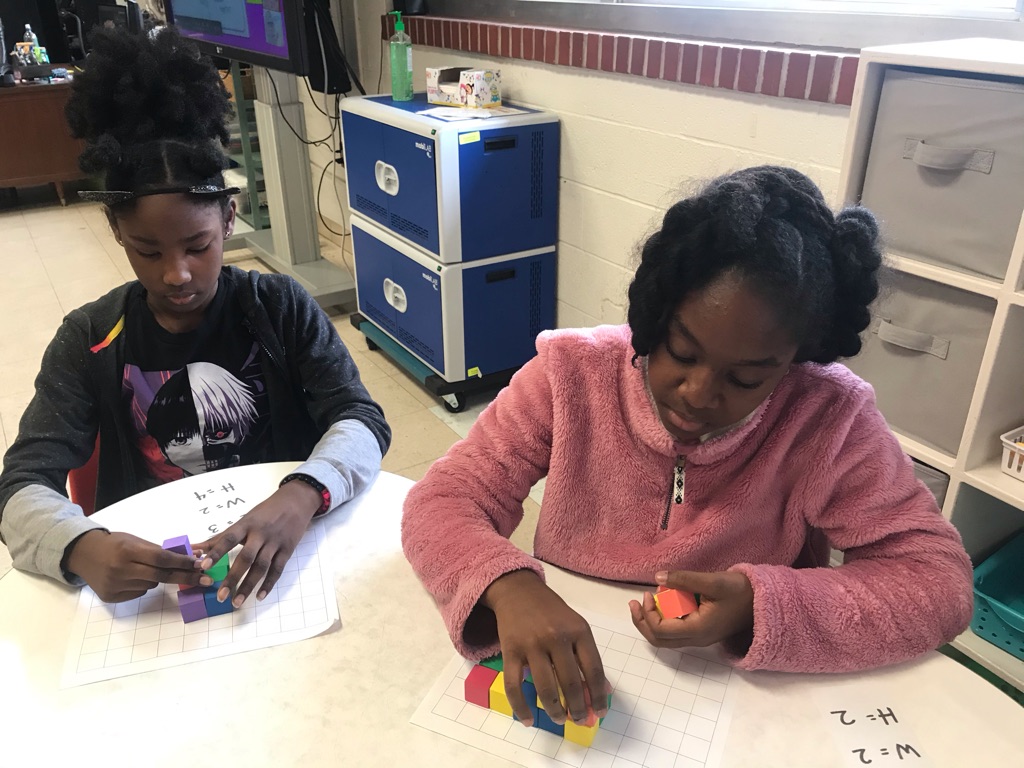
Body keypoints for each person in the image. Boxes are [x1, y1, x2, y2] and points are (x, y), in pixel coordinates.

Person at [402, 166, 973, 729]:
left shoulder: (829, 417)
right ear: (656, 314)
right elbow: (445, 499)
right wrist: (509, 584)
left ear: (799, 357)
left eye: (747, 379)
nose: (698, 394)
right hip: (589, 668)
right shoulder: (570, 375)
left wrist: (762, 603)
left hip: (744, 707)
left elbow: (937, 582)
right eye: (681, 349)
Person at [0, 27, 390, 609]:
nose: (176, 274)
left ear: (229, 220)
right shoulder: (89, 338)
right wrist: (79, 545)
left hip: (291, 556)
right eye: (148, 252)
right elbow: (21, 483)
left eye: (198, 245)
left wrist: (304, 492)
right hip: (161, 588)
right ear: (117, 234)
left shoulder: (278, 308)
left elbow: (360, 419)